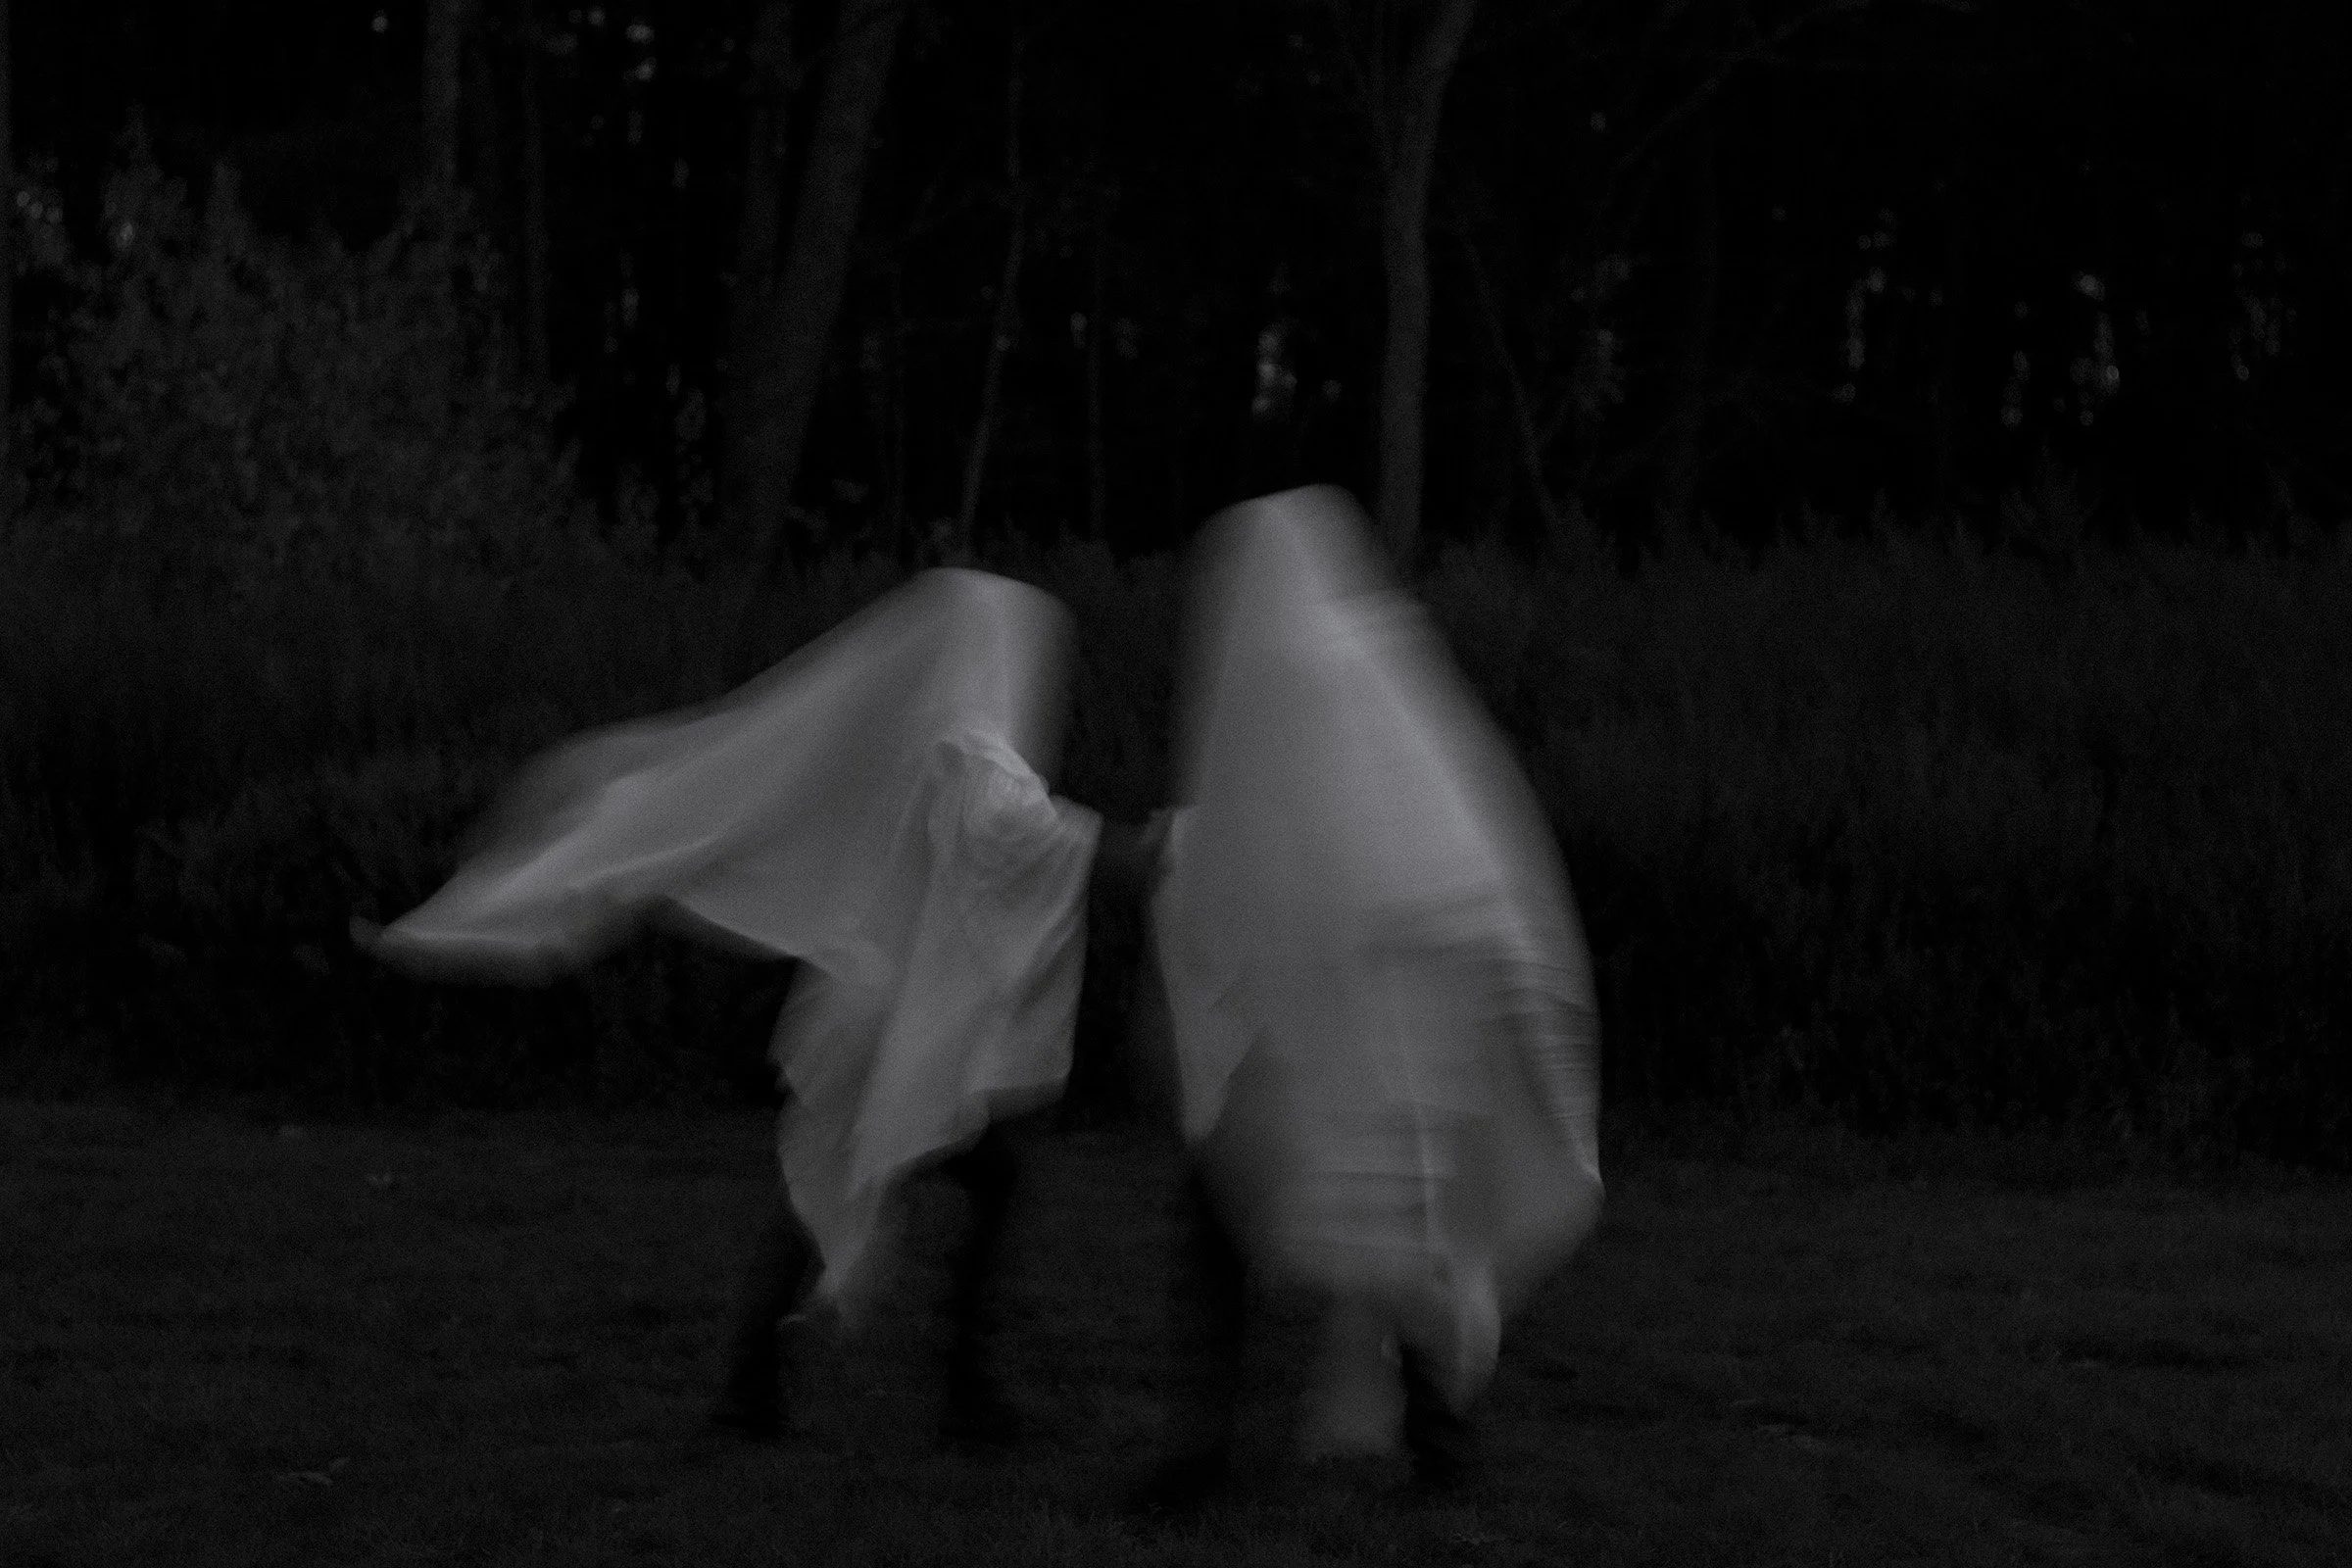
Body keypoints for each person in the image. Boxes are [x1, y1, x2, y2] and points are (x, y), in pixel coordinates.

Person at [354, 567, 1118, 1449]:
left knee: (854, 1183)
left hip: (875, 1005)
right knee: (884, 1182)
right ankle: (917, 1390)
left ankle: (809, 1387)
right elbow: (1022, 834)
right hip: (894, 1021)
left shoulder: (918, 741)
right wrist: (1151, 851)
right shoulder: (967, 755)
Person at [1134, 486, 1605, 1505]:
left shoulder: (1285, 675)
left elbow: (1261, 850)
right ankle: (1438, 1452)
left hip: (1327, 1020)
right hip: (1411, 1018)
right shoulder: (1386, 659)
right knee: (1412, 1231)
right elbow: (1462, 838)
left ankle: (1202, 1454)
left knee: (1242, 1224)